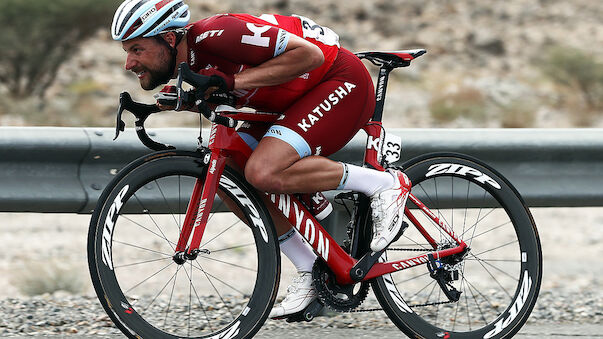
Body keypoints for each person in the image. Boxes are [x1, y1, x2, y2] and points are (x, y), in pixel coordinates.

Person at [111, 0, 411, 319]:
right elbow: (230, 87)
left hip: (339, 80)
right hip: (292, 102)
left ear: (169, 40)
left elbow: (310, 55)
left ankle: (384, 184)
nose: (129, 63)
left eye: (137, 50)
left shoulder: (218, 34)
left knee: (264, 170)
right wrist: (176, 103)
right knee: (229, 178)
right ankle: (311, 268)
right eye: (127, 51)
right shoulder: (193, 63)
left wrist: (233, 84)